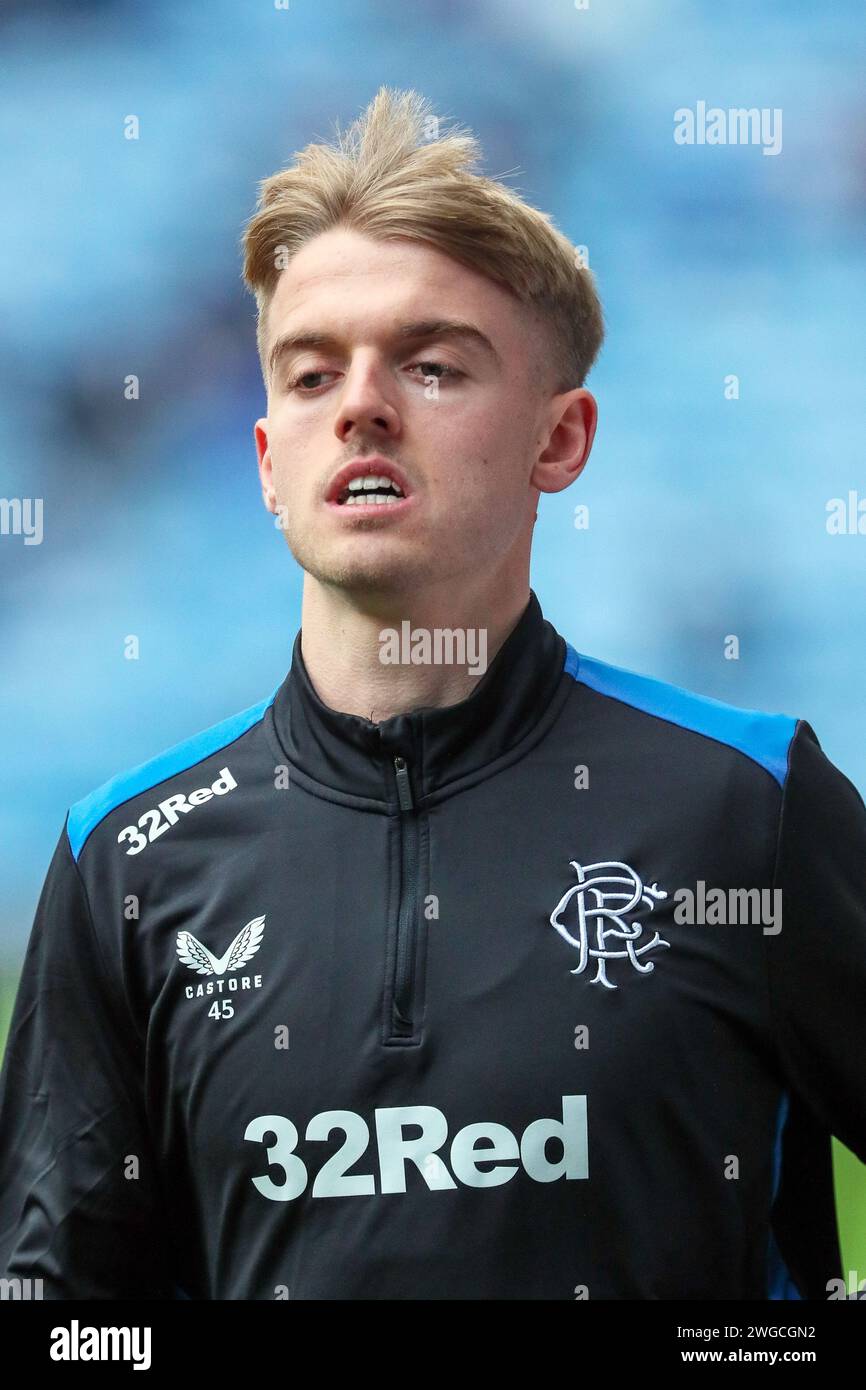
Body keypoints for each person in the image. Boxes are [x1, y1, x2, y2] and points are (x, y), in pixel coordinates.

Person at [1, 86, 864, 1301]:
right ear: (265, 465)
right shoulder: (125, 865)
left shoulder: (748, 804)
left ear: (557, 441)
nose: (360, 403)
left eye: (431, 363)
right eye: (309, 376)